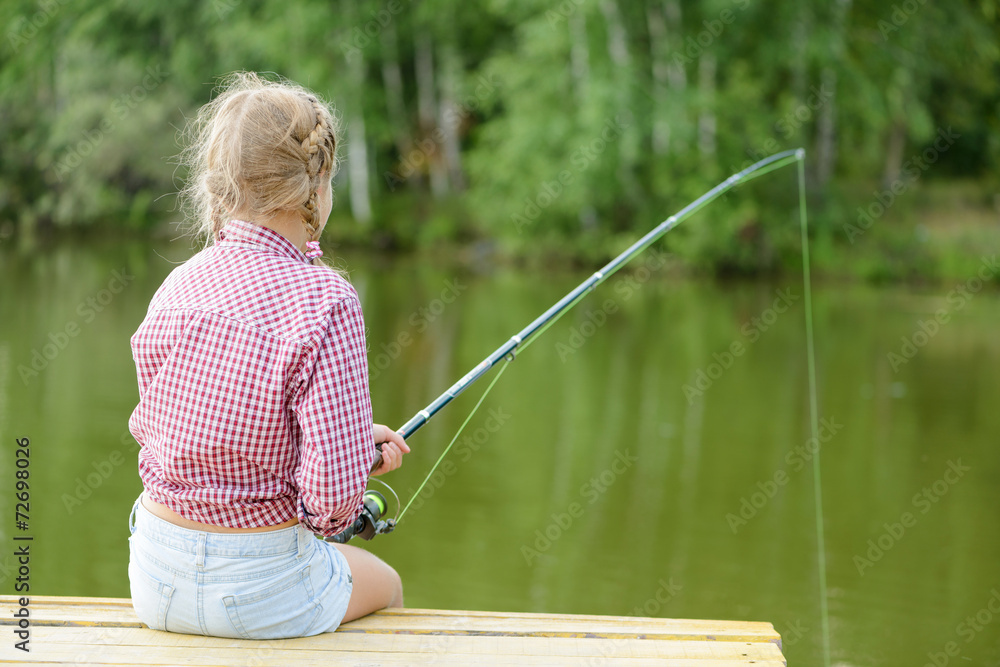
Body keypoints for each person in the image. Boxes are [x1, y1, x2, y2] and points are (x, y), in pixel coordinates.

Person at [126, 72, 409, 640]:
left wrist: (350, 443)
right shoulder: (327, 299)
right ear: (317, 185)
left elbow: (194, 436)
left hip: (154, 581)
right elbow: (331, 508)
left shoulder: (178, 284)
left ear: (223, 185)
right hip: (261, 592)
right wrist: (353, 459)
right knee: (388, 583)